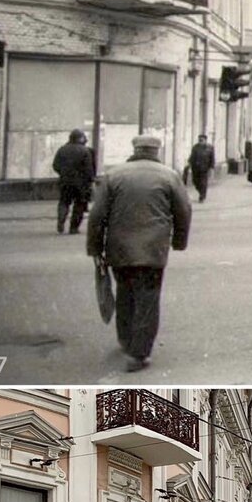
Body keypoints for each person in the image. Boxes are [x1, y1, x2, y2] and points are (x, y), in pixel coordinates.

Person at [86, 133, 192, 372]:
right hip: (153, 249)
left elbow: (97, 215)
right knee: (148, 297)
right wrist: (179, 241)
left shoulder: (114, 174)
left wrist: (95, 247)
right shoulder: (170, 176)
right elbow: (184, 210)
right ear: (156, 151)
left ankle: (126, 340)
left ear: (135, 149)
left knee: (125, 291)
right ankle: (139, 353)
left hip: (119, 248)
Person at [53, 128, 96, 235]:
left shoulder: (62, 149)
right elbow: (89, 169)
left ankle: (61, 221)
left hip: (65, 181)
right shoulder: (86, 151)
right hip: (81, 183)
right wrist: (90, 181)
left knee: (64, 202)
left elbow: (55, 165)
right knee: (80, 204)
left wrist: (63, 173)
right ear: (81, 138)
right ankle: (74, 228)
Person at [187, 134, 216, 202]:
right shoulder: (195, 147)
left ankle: (202, 196)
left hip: (204, 168)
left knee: (203, 182)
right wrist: (189, 163)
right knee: (195, 181)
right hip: (195, 168)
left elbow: (212, 158)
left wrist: (212, 167)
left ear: (205, 140)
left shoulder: (210, 148)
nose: (200, 141)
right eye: (199, 140)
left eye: (202, 140)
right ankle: (201, 192)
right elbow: (192, 156)